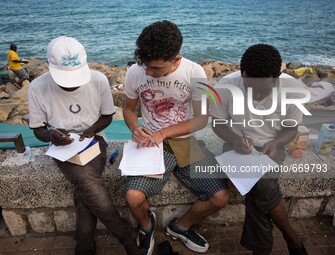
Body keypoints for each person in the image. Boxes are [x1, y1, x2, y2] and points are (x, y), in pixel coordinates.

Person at [123, 20, 230, 255]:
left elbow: (202, 119)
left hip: (185, 142)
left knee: (221, 196)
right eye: (145, 66)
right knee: (133, 196)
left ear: (176, 59)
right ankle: (146, 225)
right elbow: (129, 109)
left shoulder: (195, 72)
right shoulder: (135, 72)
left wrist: (164, 133)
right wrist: (134, 128)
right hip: (151, 143)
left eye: (156, 68)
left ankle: (181, 226)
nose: (149, 73)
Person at [28, 36, 141, 255]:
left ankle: (85, 247)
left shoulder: (98, 80)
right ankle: (125, 235)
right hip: (62, 146)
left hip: (94, 140)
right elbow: (38, 130)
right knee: (86, 181)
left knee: (84, 189)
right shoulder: (37, 87)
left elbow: (108, 116)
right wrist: (52, 135)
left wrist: (91, 130)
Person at [210, 44, 308, 255]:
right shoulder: (227, 85)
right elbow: (217, 124)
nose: (254, 95)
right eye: (249, 87)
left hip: (272, 145)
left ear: (276, 77)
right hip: (238, 144)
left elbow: (291, 129)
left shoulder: (294, 90)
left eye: (261, 89)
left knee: (260, 184)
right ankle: (291, 236)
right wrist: (235, 140)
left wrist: (277, 143)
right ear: (242, 72)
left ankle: (265, 249)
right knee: (262, 183)